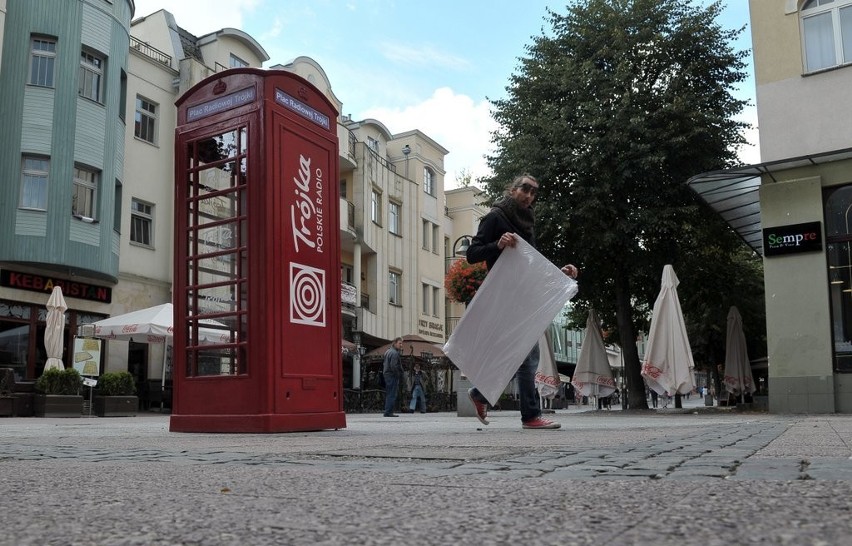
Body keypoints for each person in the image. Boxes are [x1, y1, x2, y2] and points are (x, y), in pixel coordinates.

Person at [465, 173, 579, 430]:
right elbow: (472, 254)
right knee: (528, 356)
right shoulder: (496, 217)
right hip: (504, 296)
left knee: (519, 356)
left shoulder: (527, 223)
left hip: (523, 296)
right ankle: (530, 416)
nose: (529, 196)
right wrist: (497, 244)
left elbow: (531, 264)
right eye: (524, 189)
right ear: (513, 189)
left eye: (533, 192)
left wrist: (559, 273)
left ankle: (480, 394)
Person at [382, 337, 404, 417]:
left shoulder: (388, 351)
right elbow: (393, 366)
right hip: (392, 375)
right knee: (392, 394)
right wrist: (398, 374)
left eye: (401, 343)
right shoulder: (394, 353)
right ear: (394, 343)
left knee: (389, 393)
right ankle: (388, 412)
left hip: (387, 374)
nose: (401, 345)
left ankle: (388, 411)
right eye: (400, 343)